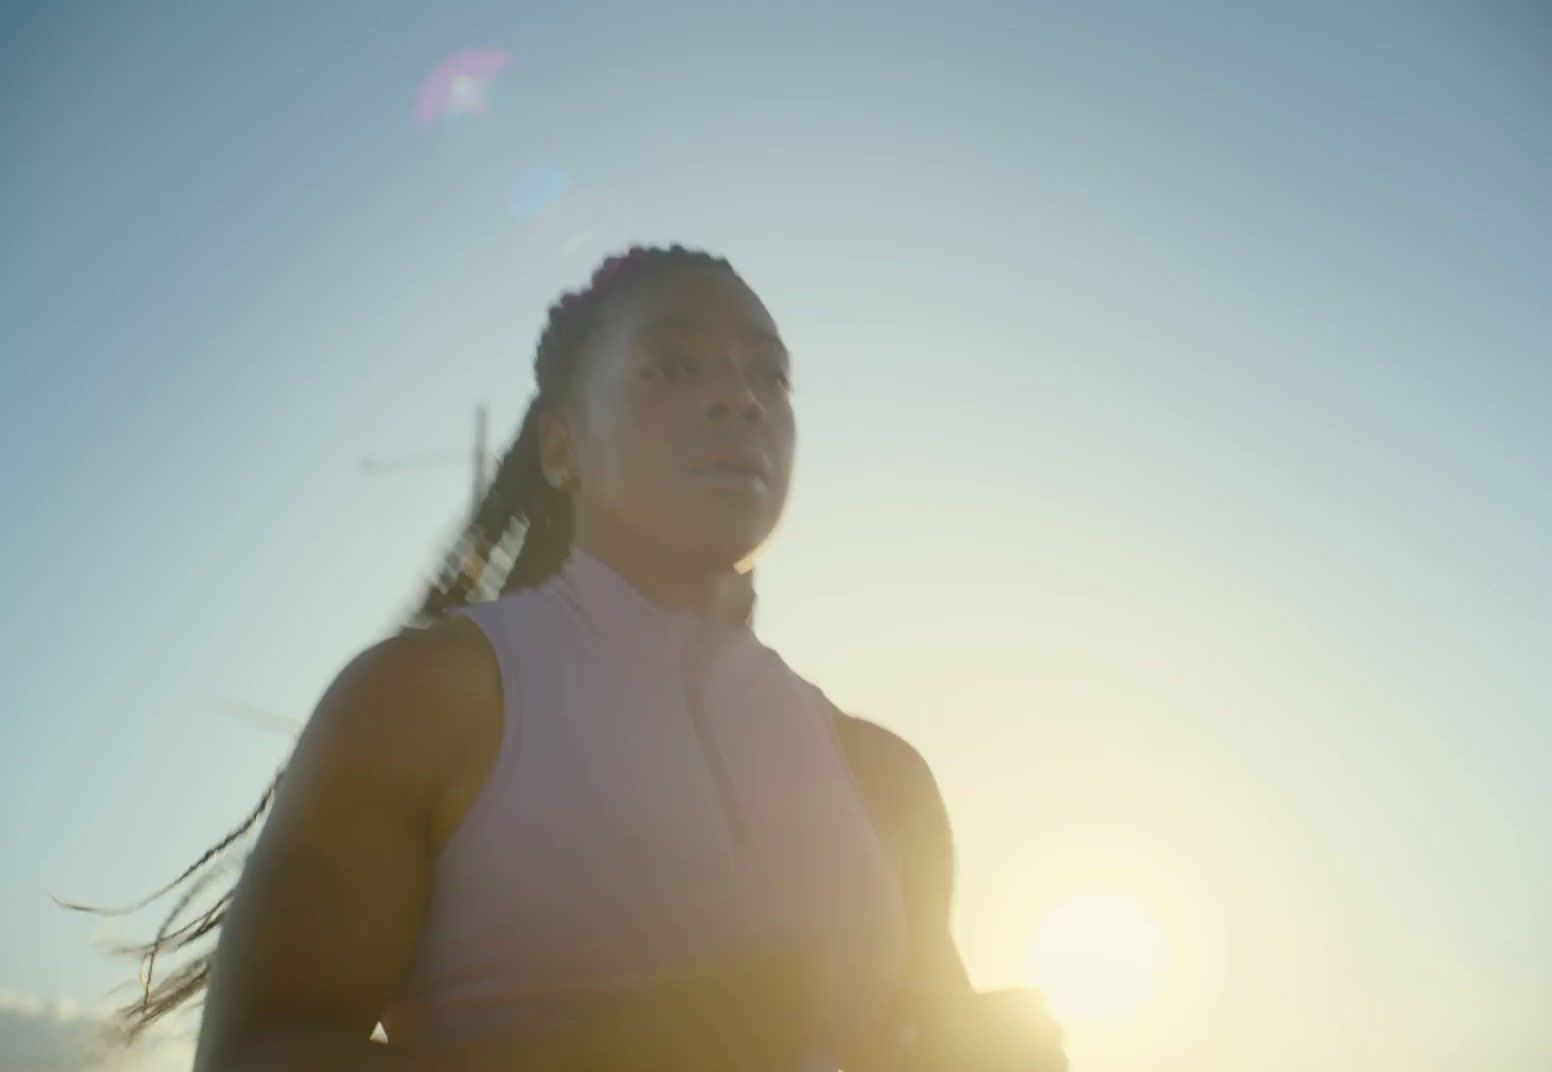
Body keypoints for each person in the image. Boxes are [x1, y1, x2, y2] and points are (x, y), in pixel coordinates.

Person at [67, 243, 1068, 1071]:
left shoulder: (883, 775)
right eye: (672, 365)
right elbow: (259, 1053)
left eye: (767, 374)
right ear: (560, 447)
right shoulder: (428, 698)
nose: (738, 399)